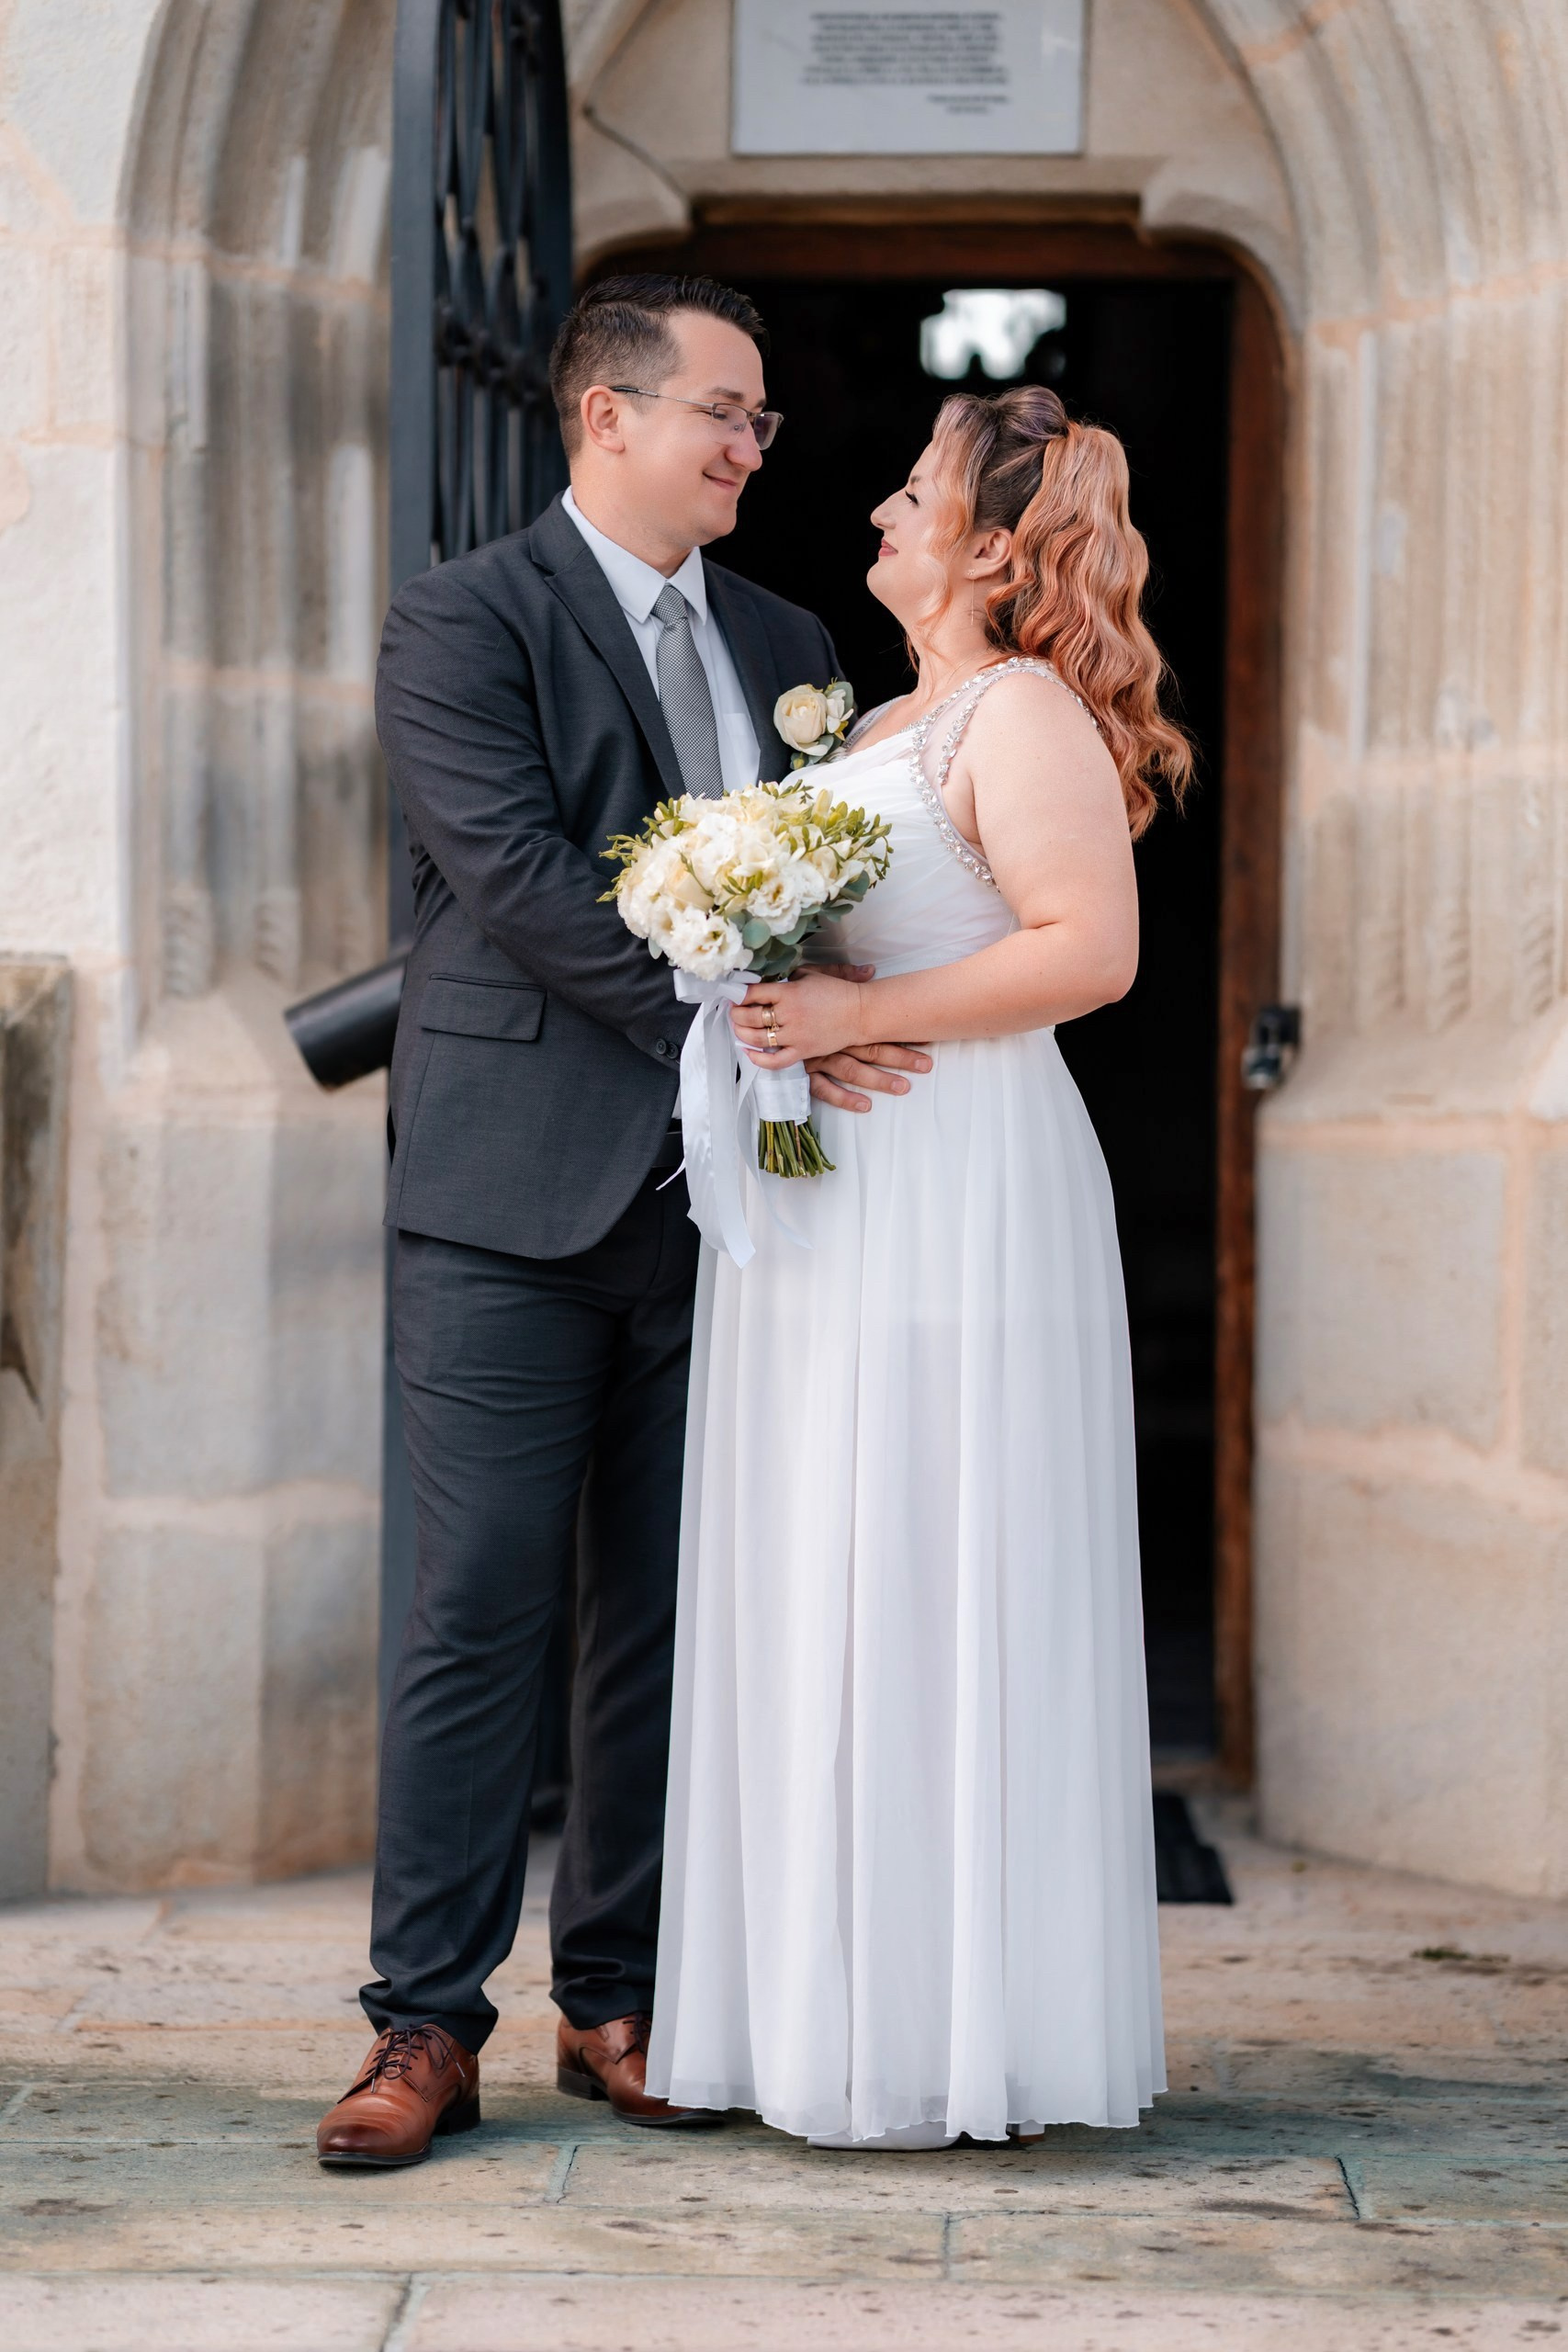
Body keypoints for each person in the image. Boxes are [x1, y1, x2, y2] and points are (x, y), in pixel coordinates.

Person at [315, 275, 925, 2167]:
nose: (754, 444)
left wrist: (841, 1001)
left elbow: (831, 890)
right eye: (722, 413)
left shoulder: (785, 634)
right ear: (605, 416)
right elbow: (503, 871)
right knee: (473, 1608)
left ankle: (618, 1991)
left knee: (668, 1615)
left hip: (730, 1208)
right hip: (507, 1196)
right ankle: (423, 2022)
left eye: (756, 421)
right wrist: (739, 1020)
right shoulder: (461, 617)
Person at [647, 384, 1190, 2148]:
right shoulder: (896, 715)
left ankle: (962, 2029)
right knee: (835, 1563)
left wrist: (862, 1008)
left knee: (938, 1554)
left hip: (960, 1182)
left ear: (996, 549)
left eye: (914, 489)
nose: (879, 508)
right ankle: (841, 2010)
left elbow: (1089, 952)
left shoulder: (1020, 710)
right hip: (838, 1193)